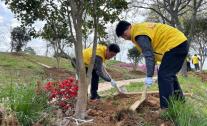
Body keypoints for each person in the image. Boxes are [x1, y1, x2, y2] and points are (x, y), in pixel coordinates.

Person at [116, 21, 189, 109]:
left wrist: (149, 76)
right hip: (179, 43)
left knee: (164, 75)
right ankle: (180, 102)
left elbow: (149, 55)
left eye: (125, 33)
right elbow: (152, 54)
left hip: (176, 44)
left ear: (130, 27)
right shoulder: (140, 29)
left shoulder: (139, 35)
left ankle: (166, 109)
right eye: (122, 36)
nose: (125, 37)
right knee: (169, 75)